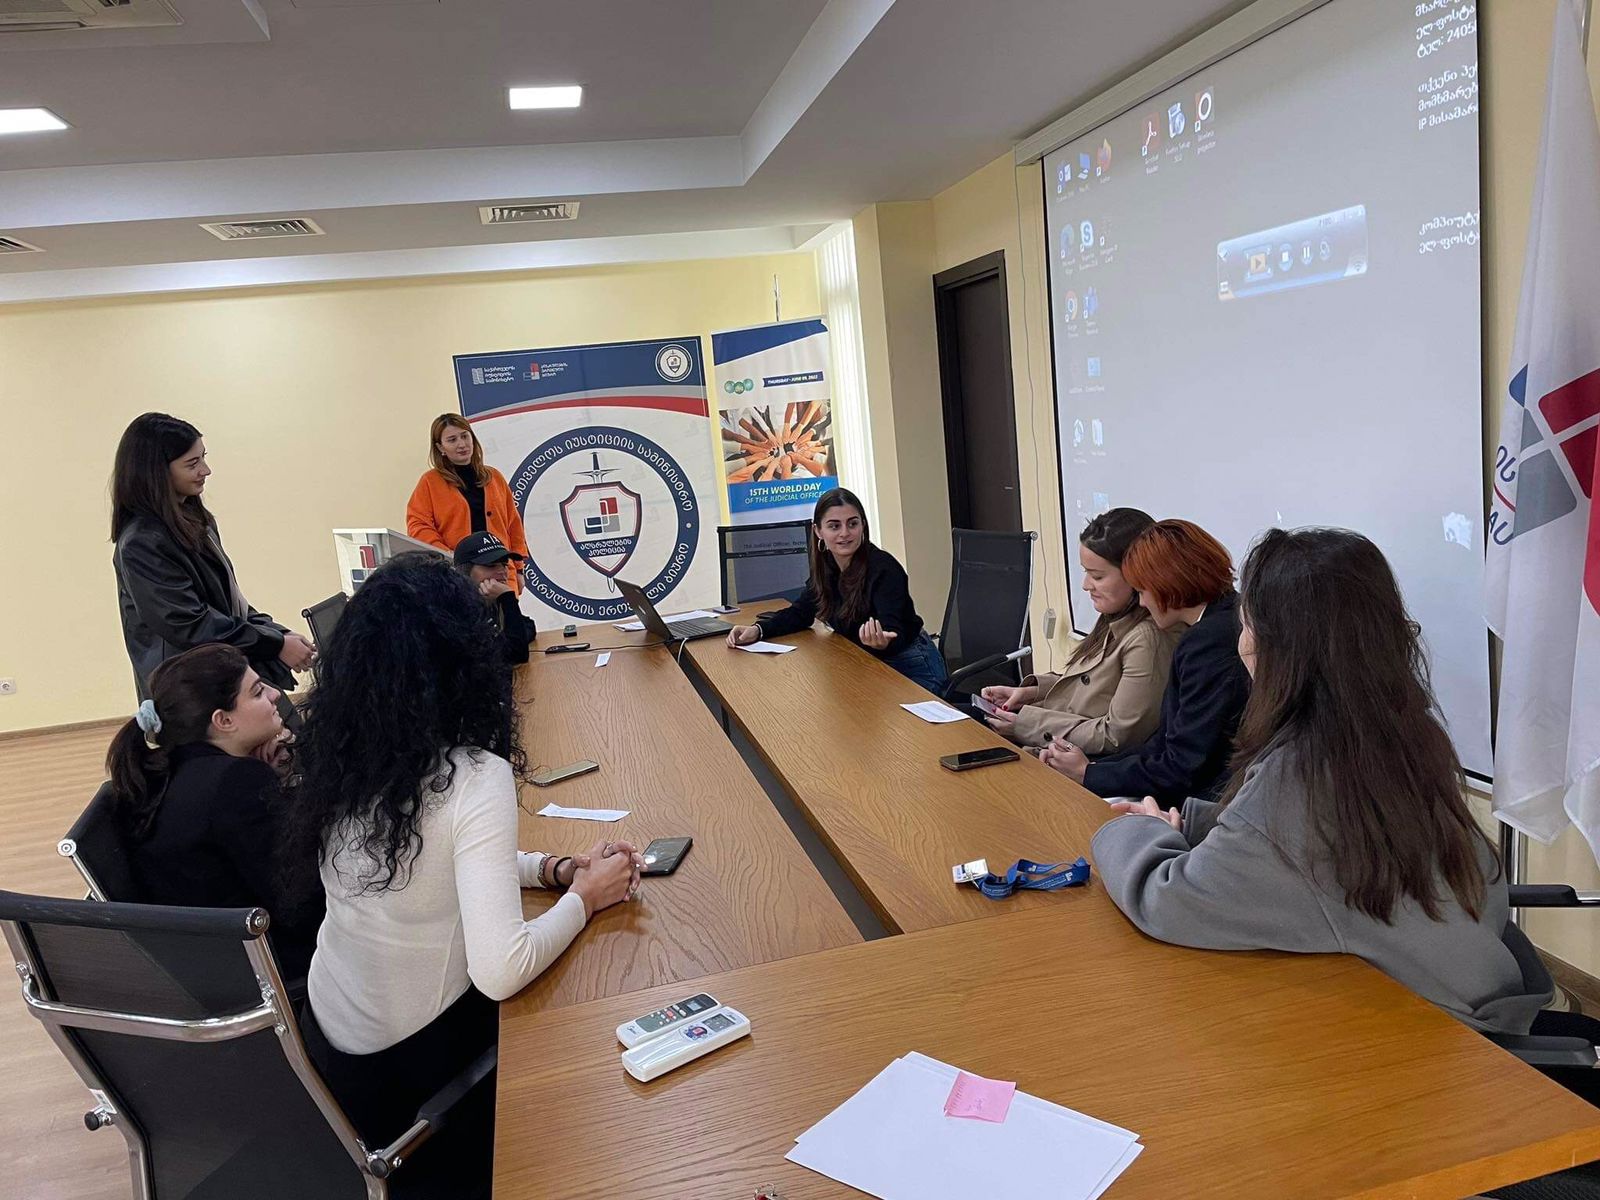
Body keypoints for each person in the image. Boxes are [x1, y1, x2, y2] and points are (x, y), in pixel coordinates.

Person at [1091, 528, 1553, 1036]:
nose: (1241, 641)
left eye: (1248, 625)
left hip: (1438, 1037)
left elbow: (1166, 901)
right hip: (1486, 996)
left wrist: (1142, 830)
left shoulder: (1300, 771)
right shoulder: (1404, 736)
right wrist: (1201, 823)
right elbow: (1312, 851)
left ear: (1278, 648)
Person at [281, 553, 639, 1192]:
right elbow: (501, 970)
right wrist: (586, 897)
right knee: (585, 1030)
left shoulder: (342, 753)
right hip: (414, 1083)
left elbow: (424, 870)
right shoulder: (473, 774)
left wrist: (552, 869)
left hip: (326, 1052)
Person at [103, 642, 318, 976]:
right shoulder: (236, 782)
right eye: (258, 692)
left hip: (203, 964)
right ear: (223, 720)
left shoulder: (167, 770)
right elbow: (301, 906)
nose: (275, 694)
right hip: (264, 963)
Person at [1040, 518, 1249, 803]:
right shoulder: (1225, 619)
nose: (1141, 603)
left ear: (1167, 584)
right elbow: (1166, 743)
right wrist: (1093, 768)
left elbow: (1182, 766)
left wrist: (1089, 774)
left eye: (1141, 591)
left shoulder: (1207, 643)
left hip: (1202, 803)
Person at [111, 412, 315, 703]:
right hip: (189, 691)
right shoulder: (142, 542)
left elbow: (230, 604)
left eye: (203, 458)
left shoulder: (196, 521)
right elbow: (190, 625)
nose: (205, 470)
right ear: (156, 472)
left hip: (221, 675)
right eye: (192, 463)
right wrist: (274, 643)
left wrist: (279, 635)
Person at [981, 507, 1177, 753]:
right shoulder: (1116, 615)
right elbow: (1092, 686)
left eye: (1097, 576)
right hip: (1053, 739)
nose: (1086, 585)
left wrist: (1024, 725)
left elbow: (1116, 735)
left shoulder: (1147, 639)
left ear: (1137, 575)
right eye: (1086, 573)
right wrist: (1031, 692)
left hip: (1071, 757)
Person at [725, 487, 948, 693]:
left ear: (863, 525)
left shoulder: (884, 568)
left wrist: (884, 641)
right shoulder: (827, 566)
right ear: (818, 531)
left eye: (852, 524)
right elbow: (801, 612)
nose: (845, 533)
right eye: (834, 526)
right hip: (865, 660)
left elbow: (894, 629)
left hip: (911, 665)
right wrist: (758, 630)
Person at [406, 413, 530, 594]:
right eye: (452, 440)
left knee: (505, 611)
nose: (461, 444)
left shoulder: (494, 477)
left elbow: (514, 525)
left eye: (465, 436)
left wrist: (519, 569)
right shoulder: (430, 482)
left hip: (500, 572)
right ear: (440, 447)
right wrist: (448, 557)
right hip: (457, 575)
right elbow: (418, 526)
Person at [453, 531, 537, 664]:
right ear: (464, 573)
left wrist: (507, 602)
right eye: (491, 565)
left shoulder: (491, 599)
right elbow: (516, 654)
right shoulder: (455, 611)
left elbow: (528, 625)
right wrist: (508, 598)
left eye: (505, 564)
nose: (502, 571)